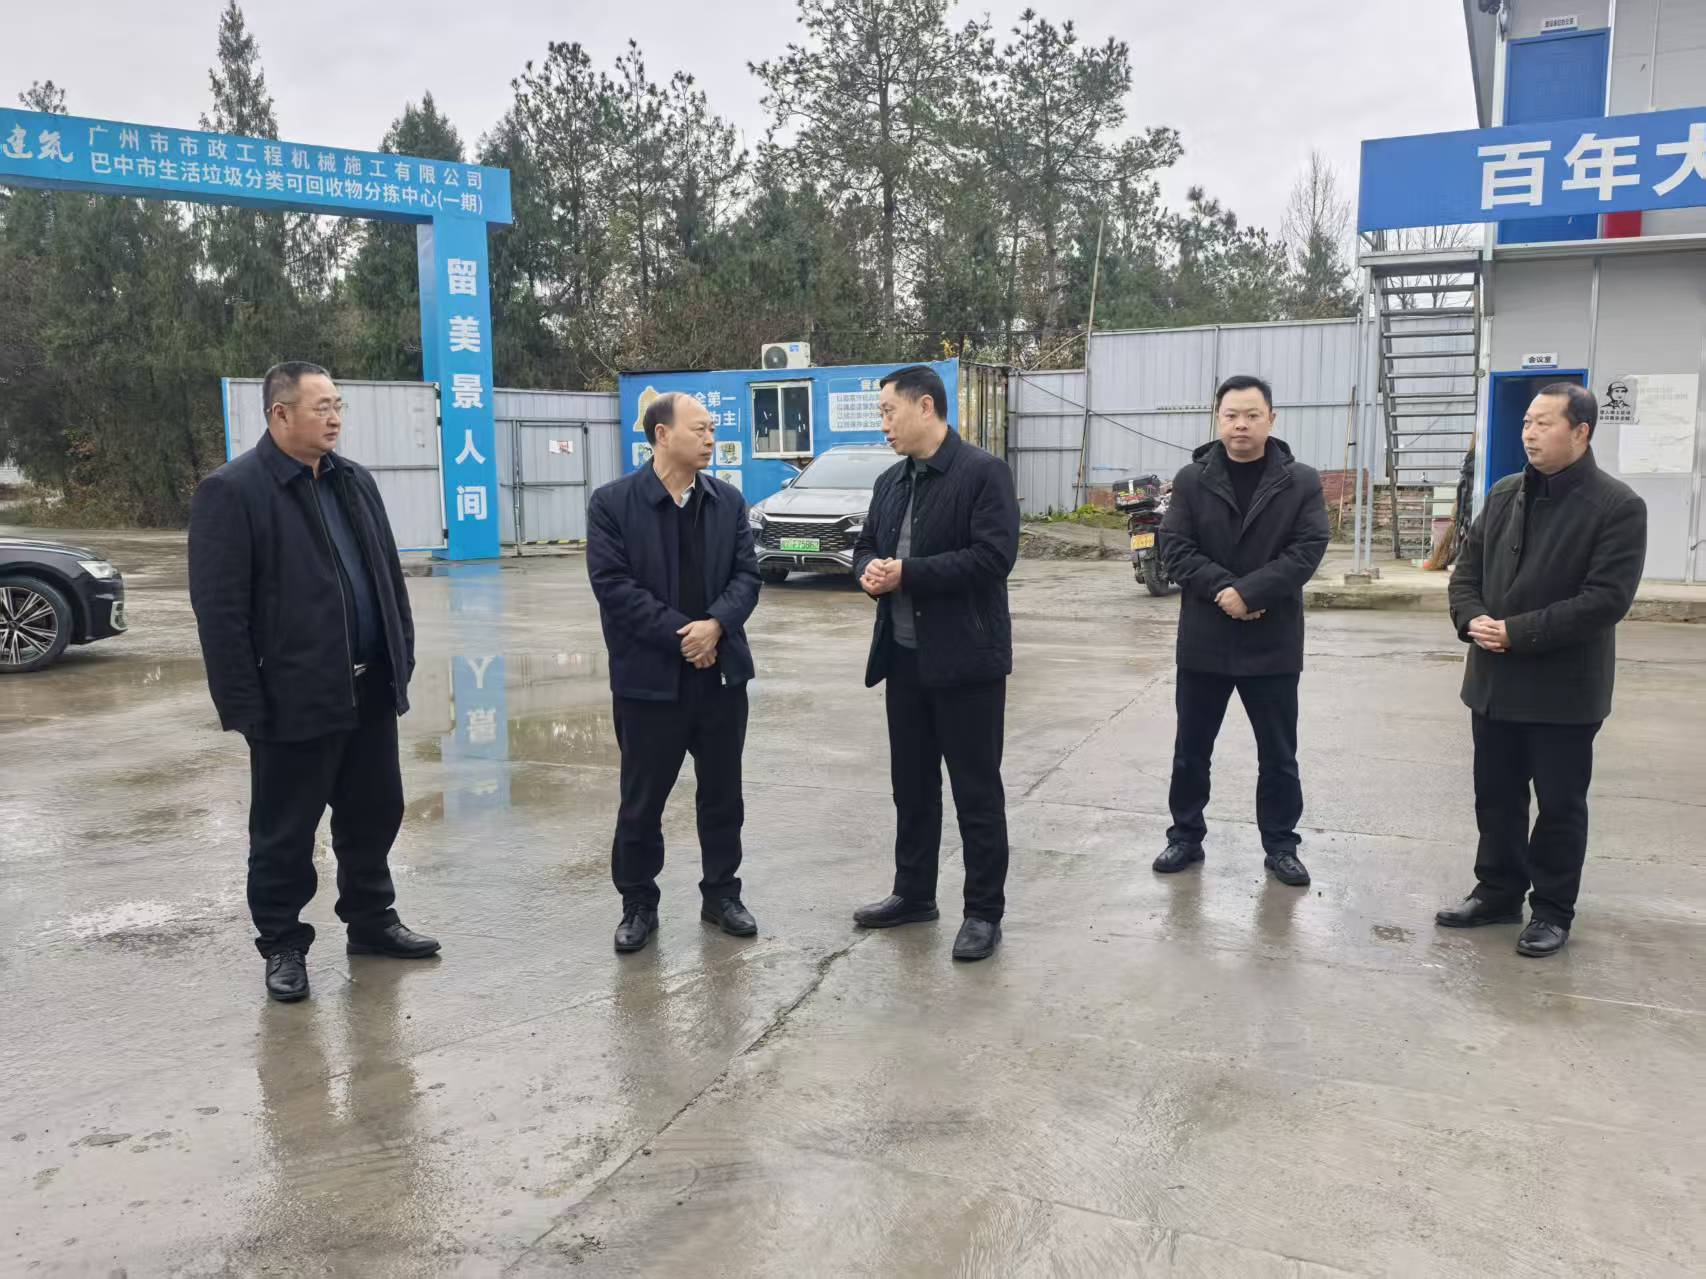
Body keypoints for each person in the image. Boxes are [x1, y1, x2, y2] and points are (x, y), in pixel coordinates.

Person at [188, 362, 438, 1004]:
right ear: (280, 414)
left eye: (338, 406)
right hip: (292, 698)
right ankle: (283, 944)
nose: (334, 418)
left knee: (374, 812)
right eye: (321, 406)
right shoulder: (234, 491)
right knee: (285, 832)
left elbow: (386, 577)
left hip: (368, 689)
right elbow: (220, 612)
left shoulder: (354, 481)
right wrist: (245, 705)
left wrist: (401, 656)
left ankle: (372, 921)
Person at [1439, 384, 1646, 957]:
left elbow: (1605, 600)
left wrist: (1517, 632)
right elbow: (1466, 573)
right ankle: (1498, 891)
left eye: (1543, 423)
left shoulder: (1617, 506)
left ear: (1581, 432)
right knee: (1496, 797)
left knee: (1559, 806)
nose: (1529, 433)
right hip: (1493, 683)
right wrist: (1472, 619)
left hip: (1564, 692)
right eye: (1527, 422)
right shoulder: (1505, 492)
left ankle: (1553, 910)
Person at [852, 365, 1020, 962]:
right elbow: (865, 545)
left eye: (888, 411)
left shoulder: (982, 473)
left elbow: (993, 557)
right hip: (903, 661)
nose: (884, 424)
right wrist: (868, 571)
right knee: (912, 787)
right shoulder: (890, 481)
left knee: (976, 791)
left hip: (967, 663)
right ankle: (914, 893)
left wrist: (908, 574)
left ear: (925, 407)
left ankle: (983, 913)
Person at [586, 392, 761, 955]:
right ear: (661, 435)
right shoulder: (613, 504)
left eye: (711, 429)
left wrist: (716, 626)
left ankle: (722, 895)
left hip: (721, 677)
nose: (710, 439)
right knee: (642, 802)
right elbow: (615, 588)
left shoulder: (727, 501)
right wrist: (686, 636)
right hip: (649, 682)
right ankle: (638, 903)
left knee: (723, 796)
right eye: (699, 429)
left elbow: (747, 576)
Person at [1155, 374, 1330, 887]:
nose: (1241, 425)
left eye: (1252, 415)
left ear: (1271, 419)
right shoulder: (1192, 479)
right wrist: (1225, 591)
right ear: (1218, 419)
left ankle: (1281, 845)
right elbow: (1175, 547)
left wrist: (1252, 594)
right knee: (1191, 750)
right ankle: (1185, 836)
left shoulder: (1300, 481)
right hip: (1205, 640)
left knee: (1278, 755)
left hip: (1272, 641)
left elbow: (1308, 549)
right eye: (1232, 415)